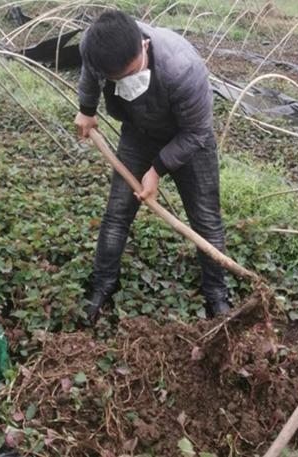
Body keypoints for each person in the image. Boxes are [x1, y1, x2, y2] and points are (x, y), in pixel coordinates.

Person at [74, 10, 231, 323]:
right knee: (117, 212)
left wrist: (156, 170)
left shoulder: (182, 69)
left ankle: (217, 295)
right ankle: (103, 283)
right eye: (118, 79)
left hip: (187, 137)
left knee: (206, 220)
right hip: (138, 130)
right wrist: (86, 110)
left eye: (131, 72)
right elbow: (90, 76)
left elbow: (197, 133)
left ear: (143, 46)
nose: (127, 82)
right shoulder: (94, 50)